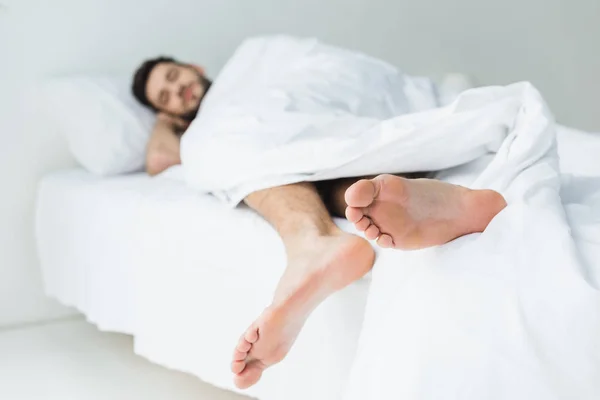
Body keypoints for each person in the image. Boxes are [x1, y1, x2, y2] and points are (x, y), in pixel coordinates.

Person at [132, 56, 507, 389]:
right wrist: (172, 123)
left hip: (321, 119)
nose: (176, 90)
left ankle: (313, 242)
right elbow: (159, 162)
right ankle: (405, 199)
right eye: (164, 98)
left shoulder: (253, 63)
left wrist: (193, 126)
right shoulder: (197, 126)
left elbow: (337, 75)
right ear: (167, 115)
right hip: (312, 162)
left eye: (173, 76)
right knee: (321, 180)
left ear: (194, 67)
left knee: (222, 146)